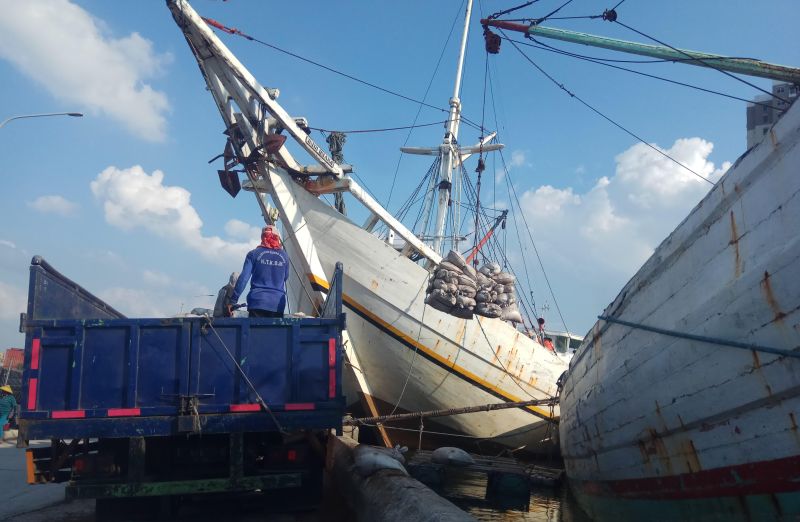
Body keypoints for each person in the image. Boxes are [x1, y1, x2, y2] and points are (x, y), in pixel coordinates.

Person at [228, 225, 289, 318]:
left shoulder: (253, 254)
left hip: (257, 302)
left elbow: (244, 278)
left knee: (256, 332)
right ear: (277, 238)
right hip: (277, 304)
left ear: (262, 237)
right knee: (276, 332)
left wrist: (233, 301)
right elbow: (285, 277)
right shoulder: (284, 256)